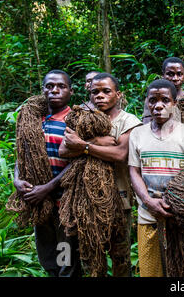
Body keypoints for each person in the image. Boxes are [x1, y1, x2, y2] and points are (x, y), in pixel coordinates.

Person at [59, 72, 141, 276]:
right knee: (91, 256)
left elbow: (120, 154)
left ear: (118, 94)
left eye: (106, 91)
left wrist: (83, 145)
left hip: (118, 199)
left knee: (120, 256)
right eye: (95, 92)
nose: (100, 96)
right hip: (84, 200)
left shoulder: (128, 121)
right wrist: (98, 143)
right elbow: (64, 150)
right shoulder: (81, 118)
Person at [128, 79, 184, 277]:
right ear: (147, 102)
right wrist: (148, 201)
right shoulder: (137, 134)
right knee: (151, 270)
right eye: (152, 100)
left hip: (183, 218)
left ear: (174, 103)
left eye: (165, 100)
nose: (158, 106)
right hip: (149, 215)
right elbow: (134, 171)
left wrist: (179, 205)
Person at [13, 69, 81, 277]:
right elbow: (21, 154)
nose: (54, 90)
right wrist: (16, 179)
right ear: (43, 90)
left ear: (70, 90)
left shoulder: (76, 121)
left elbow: (80, 163)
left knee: (66, 258)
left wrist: (48, 188)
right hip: (39, 202)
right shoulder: (32, 120)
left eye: (61, 86)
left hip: (64, 203)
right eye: (49, 86)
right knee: (47, 255)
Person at [142, 57, 184, 124]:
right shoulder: (153, 99)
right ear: (163, 76)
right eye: (170, 74)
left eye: (179, 74)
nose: (175, 78)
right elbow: (147, 123)